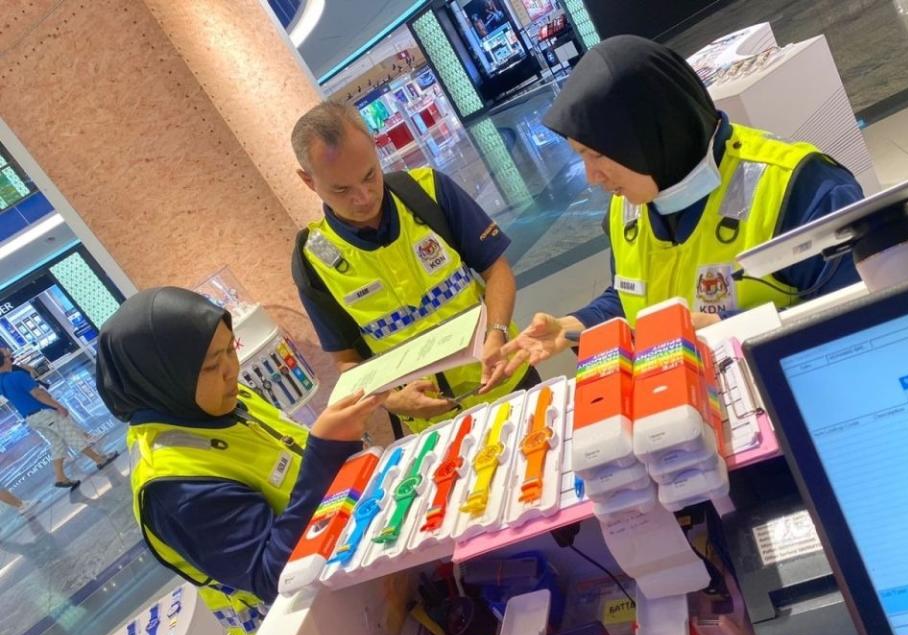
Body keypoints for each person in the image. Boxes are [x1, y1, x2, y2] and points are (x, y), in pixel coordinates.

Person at [501, 36, 864, 372]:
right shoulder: (629, 204)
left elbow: (865, 323)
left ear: (654, 133)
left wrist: (731, 329)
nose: (592, 177)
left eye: (596, 154)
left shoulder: (801, 190)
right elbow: (632, 293)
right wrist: (576, 324)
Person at [95, 287, 384, 635]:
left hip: (349, 559)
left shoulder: (221, 401)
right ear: (164, 380)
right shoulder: (173, 486)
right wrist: (325, 452)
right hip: (306, 633)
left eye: (230, 349)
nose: (232, 370)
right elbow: (272, 575)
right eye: (212, 366)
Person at [290, 101, 538, 435]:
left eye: (369, 176)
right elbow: (347, 361)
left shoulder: (430, 191)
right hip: (433, 425)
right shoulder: (313, 260)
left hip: (505, 379)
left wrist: (498, 333)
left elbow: (497, 270)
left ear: (376, 151)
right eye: (341, 189)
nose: (363, 197)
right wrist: (391, 400)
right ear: (308, 181)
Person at [0, 346, 117, 490]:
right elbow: (38, 394)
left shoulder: (2, 381)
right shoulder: (17, 376)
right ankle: (99, 459)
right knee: (72, 435)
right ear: (2, 361)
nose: (11, 358)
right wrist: (57, 406)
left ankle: (60, 477)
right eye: (8, 356)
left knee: (57, 444)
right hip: (43, 411)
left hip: (31, 418)